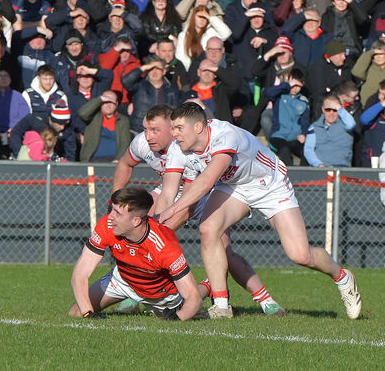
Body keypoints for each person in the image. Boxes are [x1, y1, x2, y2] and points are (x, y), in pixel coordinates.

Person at [159, 102, 362, 319]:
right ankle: (221, 306)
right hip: (234, 186)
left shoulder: (225, 135)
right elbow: (168, 192)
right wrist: (155, 228)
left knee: (301, 255)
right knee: (208, 228)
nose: (174, 134)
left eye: (179, 128)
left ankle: (342, 277)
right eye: (172, 128)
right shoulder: (177, 148)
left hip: (270, 184)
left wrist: (169, 213)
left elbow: (207, 182)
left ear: (198, 127)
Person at [112, 104, 287, 315]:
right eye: (146, 129)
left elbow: (193, 193)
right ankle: (135, 294)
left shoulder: (190, 147)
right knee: (139, 234)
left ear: (174, 127)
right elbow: (127, 165)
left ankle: (266, 301)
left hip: (204, 194)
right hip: (175, 193)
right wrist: (116, 202)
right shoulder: (142, 143)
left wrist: (163, 224)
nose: (148, 136)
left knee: (223, 250)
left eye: (155, 130)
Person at [68, 187, 202, 321]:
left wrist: (178, 318)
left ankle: (208, 286)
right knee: (76, 313)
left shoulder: (164, 245)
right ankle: (131, 301)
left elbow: (193, 297)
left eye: (117, 213)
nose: (110, 217)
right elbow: (80, 274)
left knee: (186, 306)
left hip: (159, 294)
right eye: (112, 210)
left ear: (136, 221)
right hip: (122, 280)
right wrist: (87, 313)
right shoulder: (107, 225)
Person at [304, 93, 356, 167]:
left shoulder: (346, 125)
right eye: (328, 109)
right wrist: (319, 164)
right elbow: (308, 150)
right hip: (320, 170)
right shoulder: (314, 127)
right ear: (323, 109)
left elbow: (351, 124)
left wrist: (340, 109)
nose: (331, 113)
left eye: (335, 110)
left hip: (342, 169)